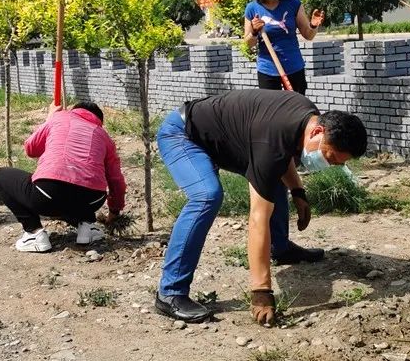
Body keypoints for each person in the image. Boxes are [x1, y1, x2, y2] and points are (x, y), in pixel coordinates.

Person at [154, 89, 367, 325]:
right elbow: (258, 219)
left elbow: (282, 154)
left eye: (336, 163)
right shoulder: (271, 140)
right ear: (318, 132)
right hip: (183, 134)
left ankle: (281, 248)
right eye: (330, 157)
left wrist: (298, 191)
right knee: (206, 196)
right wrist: (261, 291)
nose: (328, 165)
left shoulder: (307, 118)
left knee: (272, 177)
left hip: (226, 139)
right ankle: (170, 292)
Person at [0, 101, 126, 253]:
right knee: (82, 181)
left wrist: (49, 118)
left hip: (49, 195)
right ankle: (87, 226)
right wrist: (114, 212)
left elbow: (31, 149)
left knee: (1, 175)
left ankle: (33, 233)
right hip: (92, 200)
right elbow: (116, 181)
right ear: (99, 121)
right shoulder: (104, 137)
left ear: (74, 111)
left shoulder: (59, 118)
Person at [243, 0, 325, 94]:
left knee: (296, 109)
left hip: (293, 66)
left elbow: (308, 35)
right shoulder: (253, 8)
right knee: (271, 110)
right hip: (267, 69)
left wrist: (313, 25)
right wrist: (253, 31)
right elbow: (248, 43)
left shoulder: (293, 3)